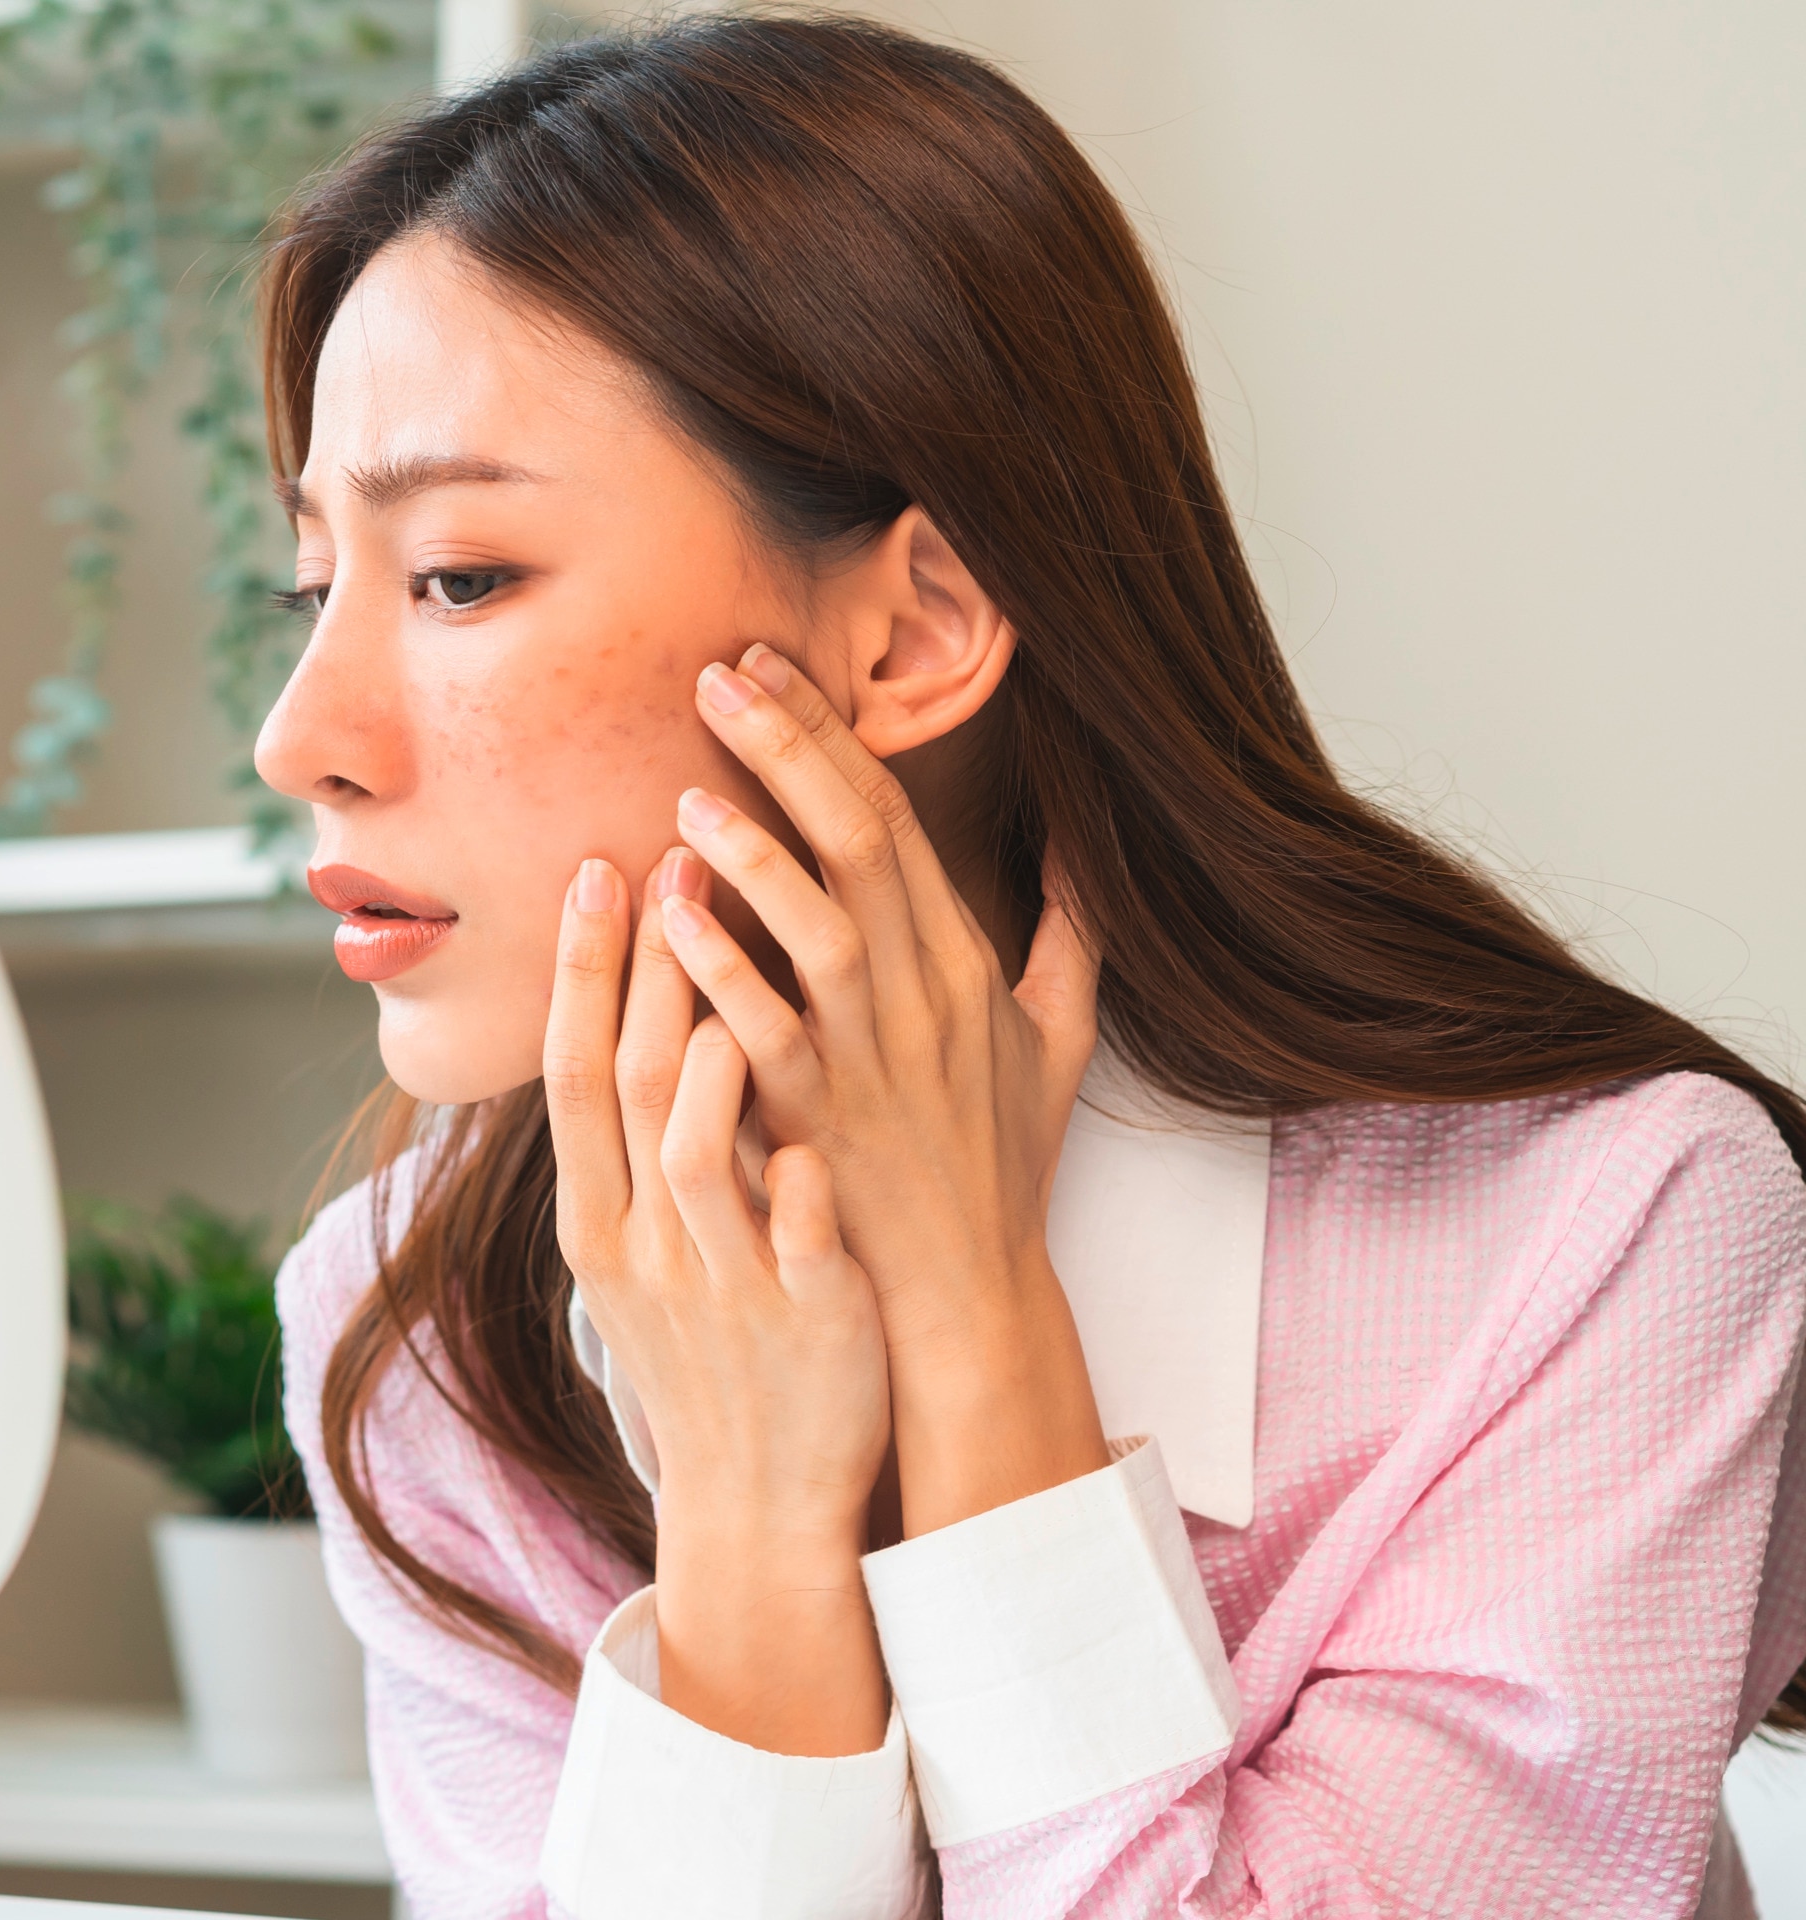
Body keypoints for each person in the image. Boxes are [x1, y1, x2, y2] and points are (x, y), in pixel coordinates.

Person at [247, 16, 1806, 1919]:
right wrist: (747, 1532)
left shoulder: (1607, 1234)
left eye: (460, 578)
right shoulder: (413, 1331)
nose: (298, 735)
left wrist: (979, 1339)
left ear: (913, 632)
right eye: (311, 587)